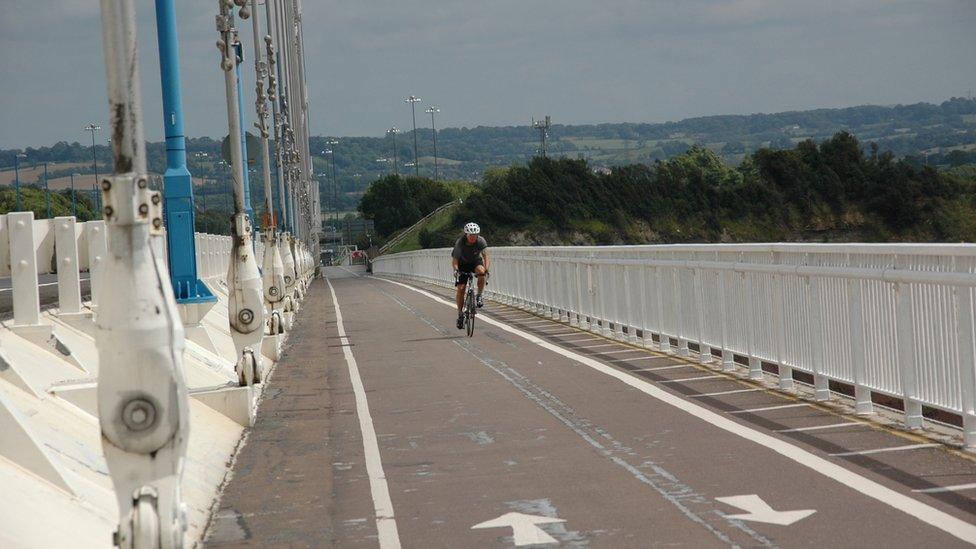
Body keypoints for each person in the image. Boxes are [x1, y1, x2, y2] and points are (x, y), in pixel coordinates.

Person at [452, 222, 490, 329]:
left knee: (481, 272)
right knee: (461, 288)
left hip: (475, 262)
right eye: (471, 236)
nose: (473, 238)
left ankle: (479, 295)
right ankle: (460, 314)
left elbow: (486, 256)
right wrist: (456, 270)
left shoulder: (481, 241)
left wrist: (486, 269)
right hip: (462, 264)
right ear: (466, 235)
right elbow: (455, 260)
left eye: (475, 235)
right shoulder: (460, 242)